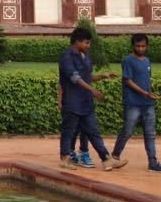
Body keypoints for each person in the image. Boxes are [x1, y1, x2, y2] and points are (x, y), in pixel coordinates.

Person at [58, 26, 124, 171]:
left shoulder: (85, 56)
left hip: (85, 103)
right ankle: (65, 159)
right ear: (77, 41)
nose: (89, 45)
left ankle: (106, 159)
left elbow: (87, 77)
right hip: (71, 102)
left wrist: (103, 76)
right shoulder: (66, 57)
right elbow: (74, 78)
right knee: (69, 131)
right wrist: (92, 90)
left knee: (94, 132)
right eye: (87, 42)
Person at [110, 34, 160, 172]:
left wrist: (150, 94)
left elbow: (146, 80)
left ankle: (153, 163)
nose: (141, 48)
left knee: (150, 134)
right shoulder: (128, 60)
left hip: (148, 103)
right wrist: (145, 93)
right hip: (133, 103)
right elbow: (127, 80)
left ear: (147, 46)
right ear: (133, 46)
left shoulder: (147, 61)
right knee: (127, 131)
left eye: (143, 46)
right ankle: (115, 156)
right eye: (138, 46)